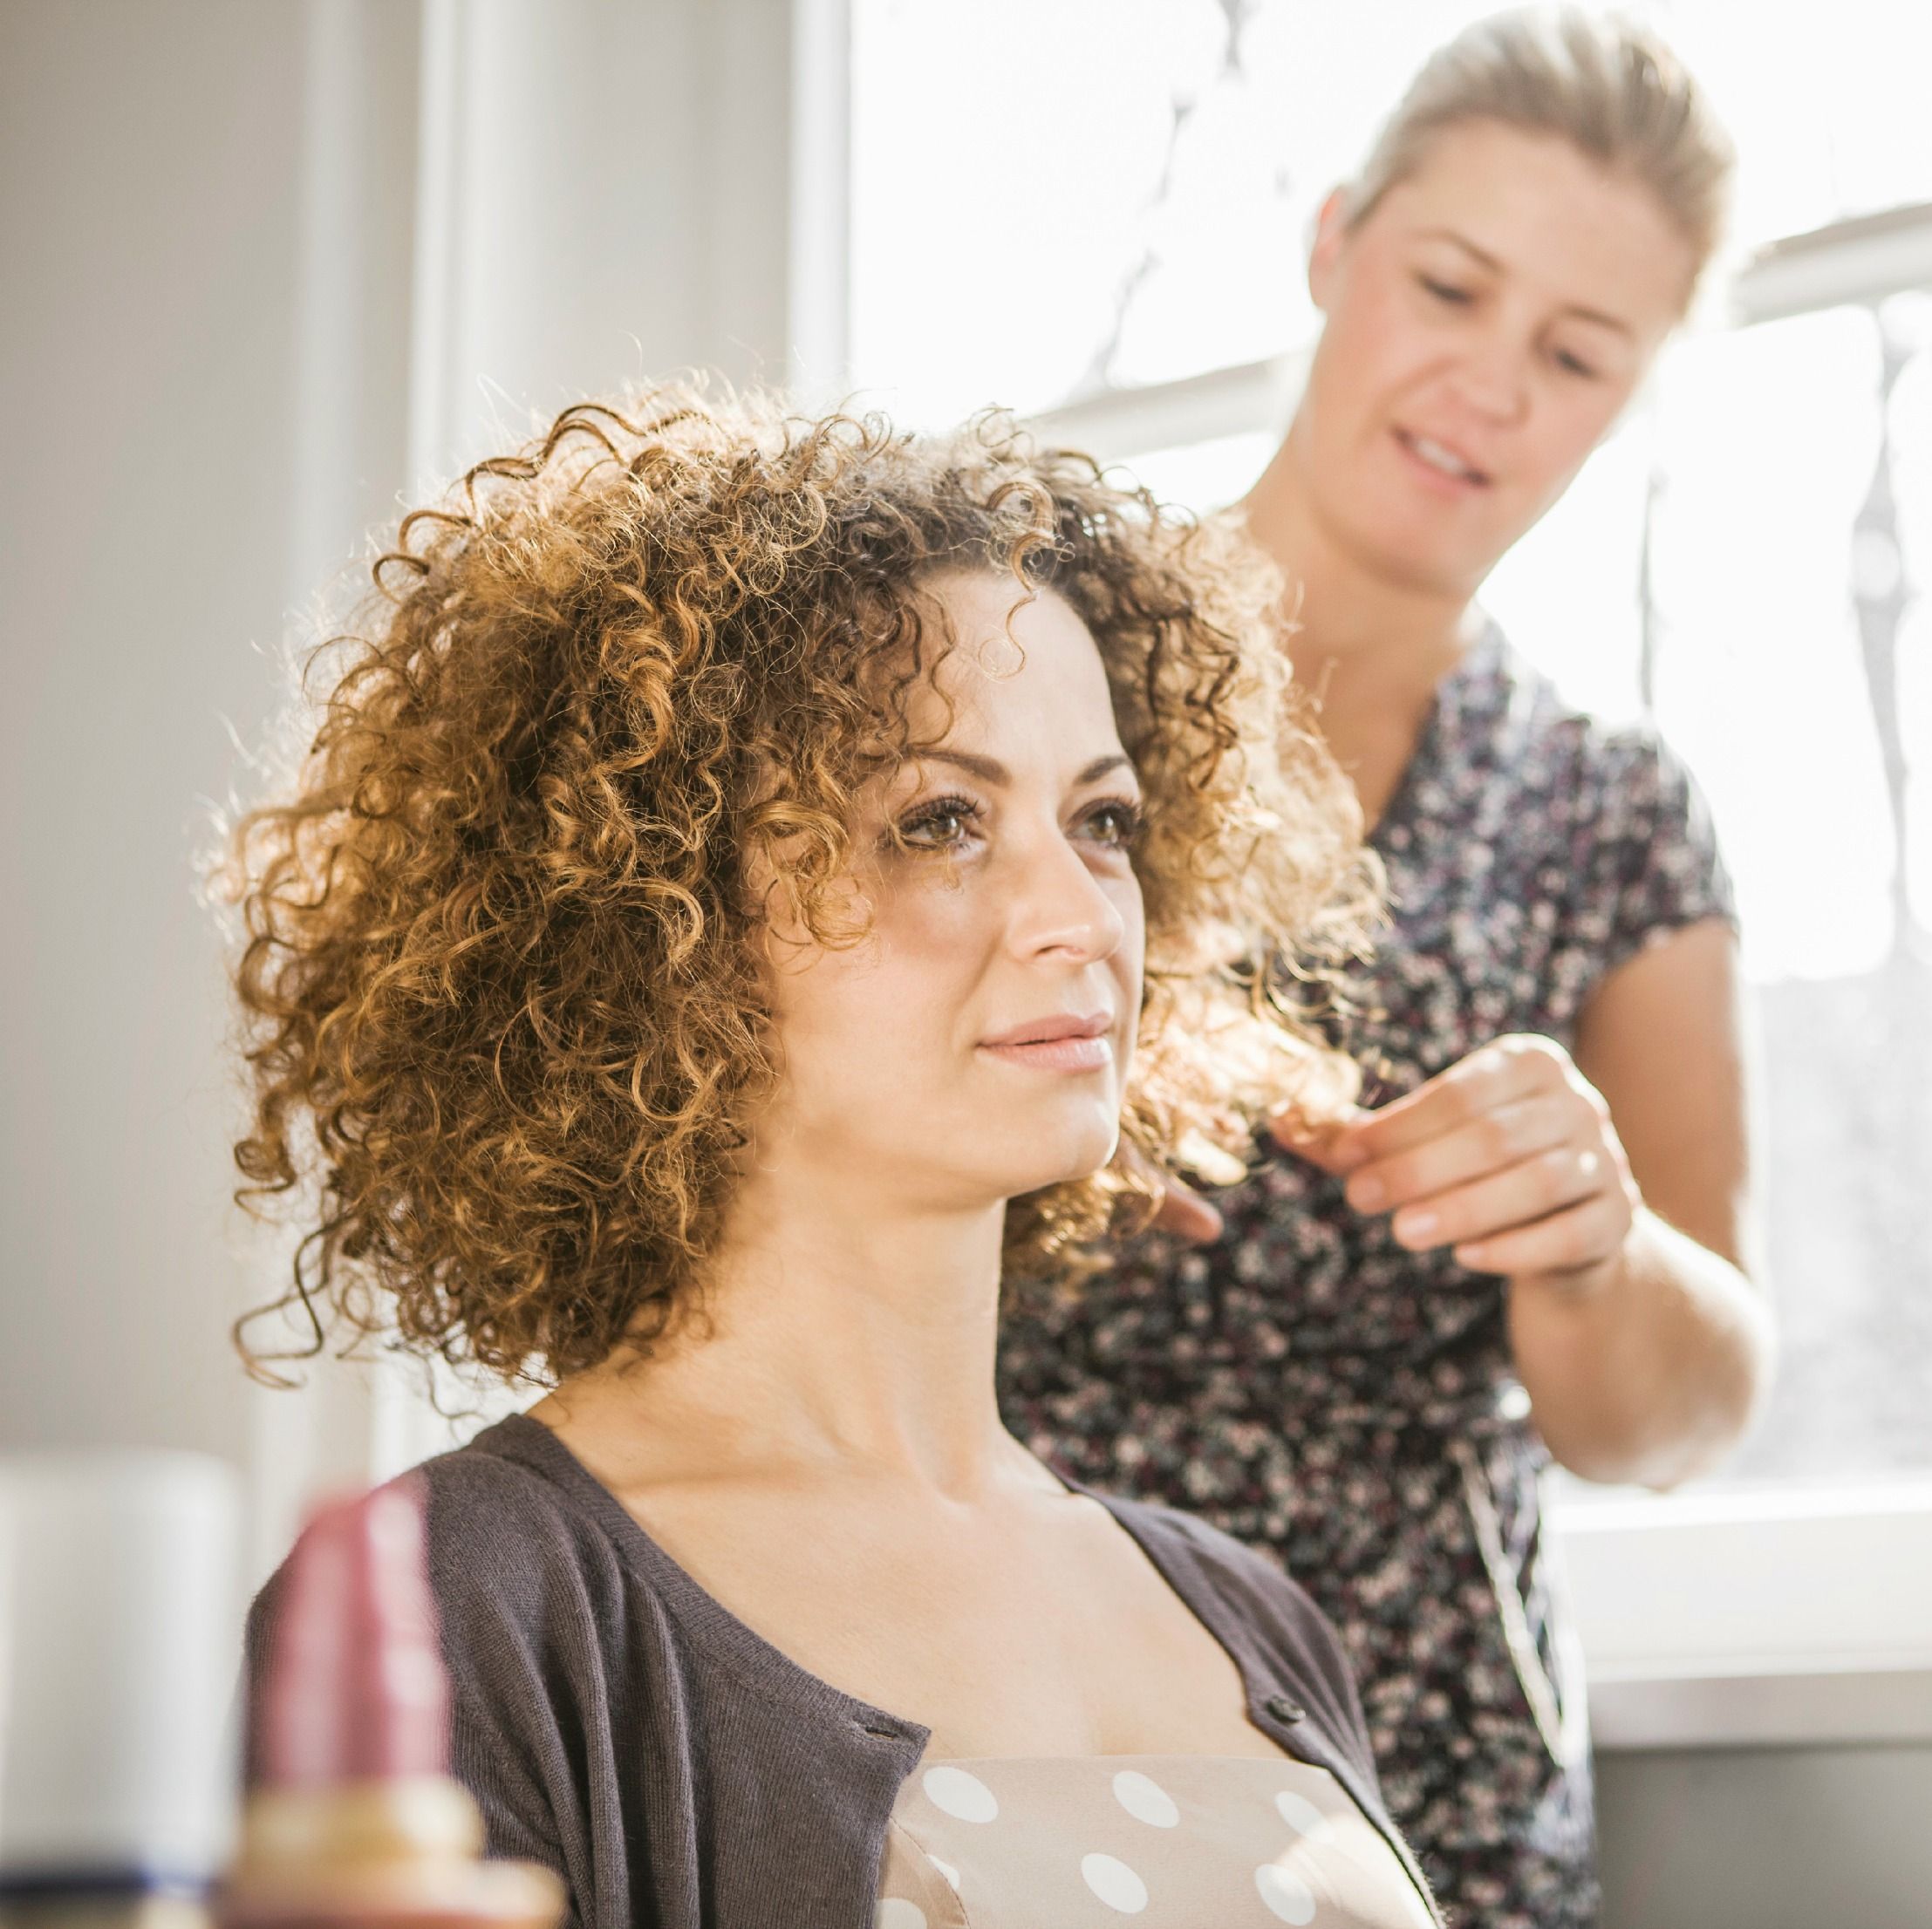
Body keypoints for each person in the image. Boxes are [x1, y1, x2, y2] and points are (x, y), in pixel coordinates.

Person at [227, 388, 1442, 1927]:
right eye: (941, 820)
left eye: (1107, 820)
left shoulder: (1254, 1614)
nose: (1080, 915)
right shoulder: (469, 1598)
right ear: (657, 919)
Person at [997, 10, 1777, 1925]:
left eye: (1577, 353)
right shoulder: (1006, 663)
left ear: (1627, 396)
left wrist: (1593, 1245)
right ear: (1336, 242)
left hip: (1423, 1770)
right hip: (1001, 1697)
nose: (1489, 384)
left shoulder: (1611, 808)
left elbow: (1677, 1408)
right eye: (1449, 284)